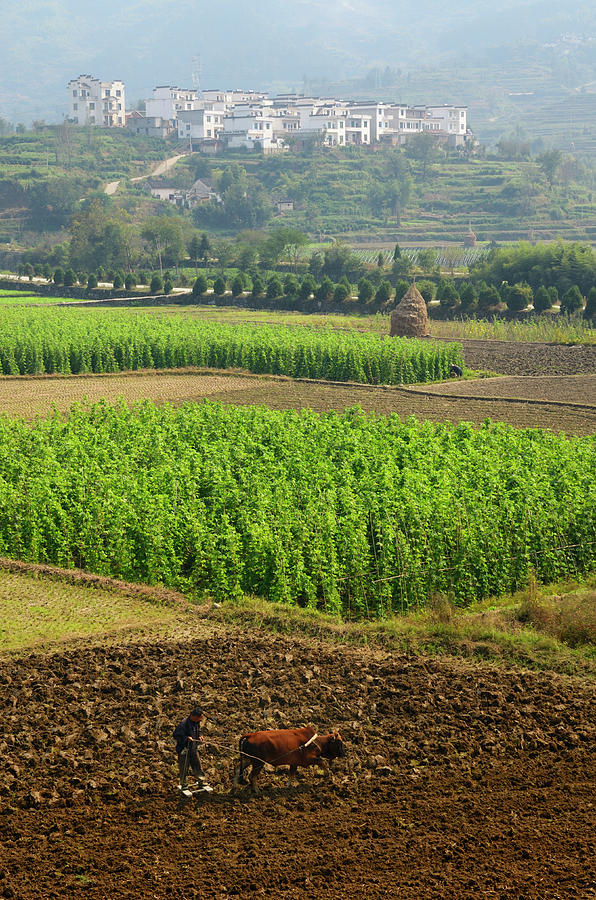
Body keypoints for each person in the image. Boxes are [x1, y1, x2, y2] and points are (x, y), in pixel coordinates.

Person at [173, 706, 206, 794]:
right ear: (194, 716)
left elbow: (198, 730)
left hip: (193, 748)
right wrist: (186, 738)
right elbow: (176, 735)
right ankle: (184, 784)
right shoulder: (183, 724)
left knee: (197, 765)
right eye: (199, 718)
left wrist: (200, 735)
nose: (200, 720)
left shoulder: (197, 722)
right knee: (184, 768)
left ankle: (201, 781)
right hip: (184, 750)